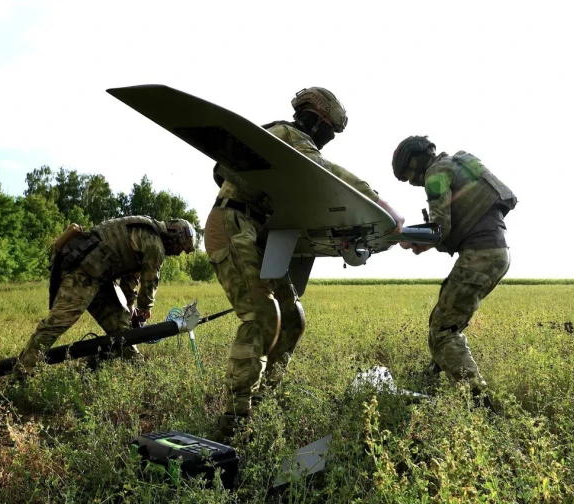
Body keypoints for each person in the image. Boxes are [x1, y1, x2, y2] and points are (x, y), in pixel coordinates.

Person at [205, 87, 405, 441]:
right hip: (233, 224)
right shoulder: (287, 135)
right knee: (262, 315)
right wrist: (381, 205)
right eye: (328, 129)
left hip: (257, 230)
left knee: (292, 318)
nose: (328, 138)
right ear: (315, 119)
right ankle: (235, 419)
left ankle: (266, 398)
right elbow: (327, 173)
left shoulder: (282, 140)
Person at [391, 135, 517, 398]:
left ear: (418, 157)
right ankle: (431, 378)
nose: (412, 181)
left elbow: (440, 227)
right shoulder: (458, 164)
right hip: (496, 251)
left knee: (443, 330)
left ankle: (480, 402)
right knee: (445, 315)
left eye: (409, 172)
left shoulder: (436, 173)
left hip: (480, 254)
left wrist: (404, 236)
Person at [16, 216, 196, 375]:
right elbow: (150, 281)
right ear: (175, 236)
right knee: (56, 324)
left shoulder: (145, 230)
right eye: (180, 248)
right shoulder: (154, 243)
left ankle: (132, 368)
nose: (178, 253)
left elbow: (131, 279)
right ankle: (22, 372)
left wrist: (131, 308)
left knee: (121, 326)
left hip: (98, 277)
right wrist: (144, 309)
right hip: (83, 274)